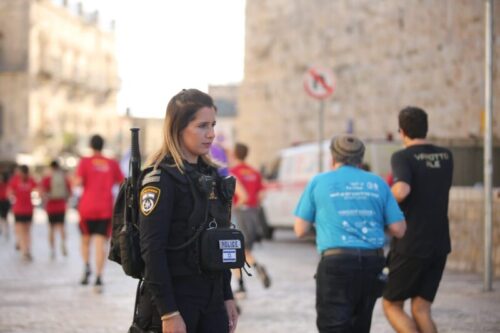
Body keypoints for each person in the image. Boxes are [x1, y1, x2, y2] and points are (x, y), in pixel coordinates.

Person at [134, 88, 238, 333]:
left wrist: (227, 296)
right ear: (178, 128)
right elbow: (152, 250)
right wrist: (168, 312)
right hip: (175, 298)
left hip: (211, 298)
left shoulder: (210, 175)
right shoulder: (160, 179)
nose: (211, 134)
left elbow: (220, 241)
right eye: (202, 126)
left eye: (213, 125)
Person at [294, 134, 406, 333]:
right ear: (361, 160)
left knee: (333, 326)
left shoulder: (319, 182)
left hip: (336, 264)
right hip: (373, 265)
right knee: (360, 327)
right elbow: (399, 229)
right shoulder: (378, 183)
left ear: (332, 158)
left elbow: (300, 229)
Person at [383, 106, 454, 333]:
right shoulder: (446, 156)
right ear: (426, 128)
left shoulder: (402, 156)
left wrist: (384, 198)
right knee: (421, 308)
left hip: (411, 244)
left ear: (402, 131)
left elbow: (402, 190)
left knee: (391, 304)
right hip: (440, 243)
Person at [74, 134, 124, 291]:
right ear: (103, 145)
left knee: (85, 240)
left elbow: (77, 182)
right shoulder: (111, 163)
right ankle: (98, 277)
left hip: (86, 208)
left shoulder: (84, 162)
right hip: (105, 208)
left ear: (90, 145)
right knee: (100, 243)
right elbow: (122, 181)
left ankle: (87, 266)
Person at [229, 142, 270, 294]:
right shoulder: (255, 172)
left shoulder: (233, 172)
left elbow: (243, 196)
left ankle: (241, 284)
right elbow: (262, 195)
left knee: (234, 249)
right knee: (243, 250)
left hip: (240, 213)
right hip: (253, 214)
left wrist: (233, 207)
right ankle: (248, 277)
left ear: (234, 154)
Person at [40, 160, 71, 259]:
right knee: (61, 227)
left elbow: (42, 192)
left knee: (51, 229)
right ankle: (63, 243)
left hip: (51, 207)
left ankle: (52, 250)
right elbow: (69, 192)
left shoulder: (47, 178)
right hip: (61, 206)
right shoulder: (64, 178)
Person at [7, 165, 38, 261]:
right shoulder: (29, 180)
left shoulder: (17, 180)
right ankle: (26, 250)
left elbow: (9, 193)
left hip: (22, 209)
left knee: (23, 231)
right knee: (26, 231)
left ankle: (25, 250)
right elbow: (38, 191)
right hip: (25, 209)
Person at [0, 171, 11, 239]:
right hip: (1, 201)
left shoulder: (7, 184)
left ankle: (5, 230)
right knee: (2, 217)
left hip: (5, 201)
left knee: (4, 217)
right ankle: (3, 229)